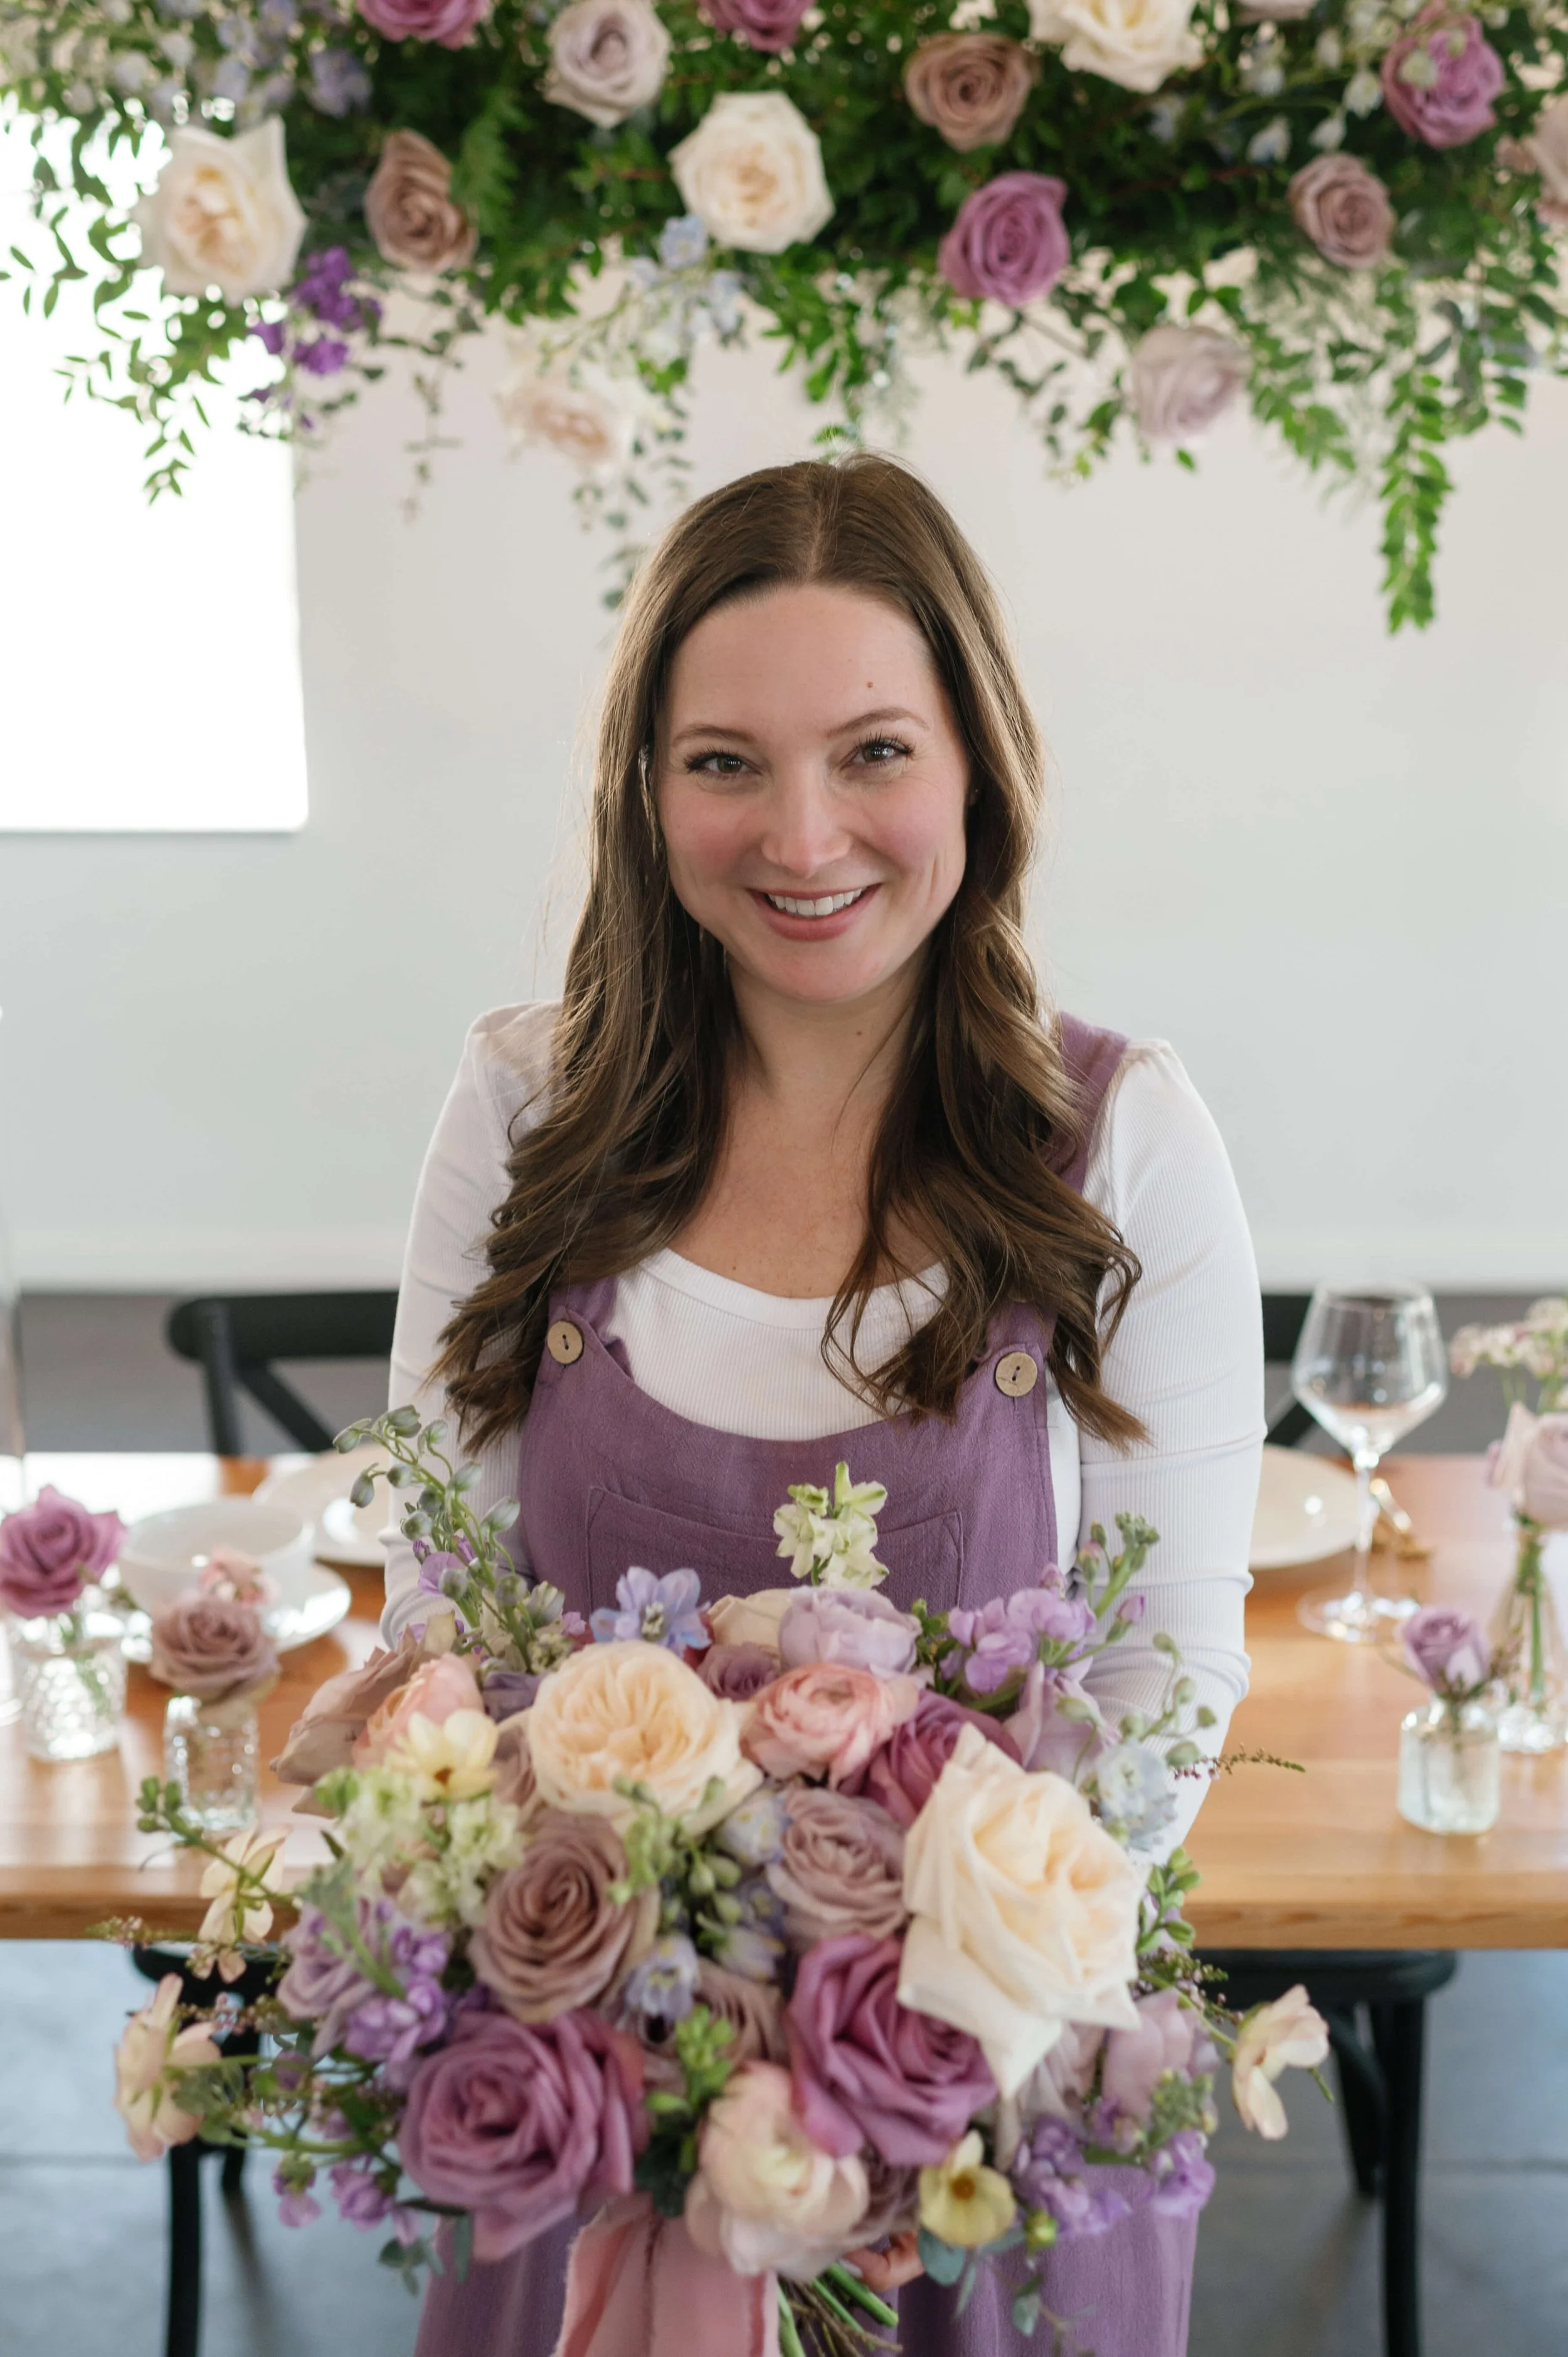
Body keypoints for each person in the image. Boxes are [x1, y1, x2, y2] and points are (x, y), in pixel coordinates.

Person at [384, 453, 1264, 2357]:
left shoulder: (1119, 1142)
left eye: (872, 749)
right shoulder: (521, 1114)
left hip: (978, 2125)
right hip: (589, 2124)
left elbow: (1160, 1705)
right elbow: (432, 1619)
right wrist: (676, 2046)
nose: (802, 834)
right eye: (722, 761)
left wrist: (858, 2057)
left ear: (978, 765)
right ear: (642, 786)